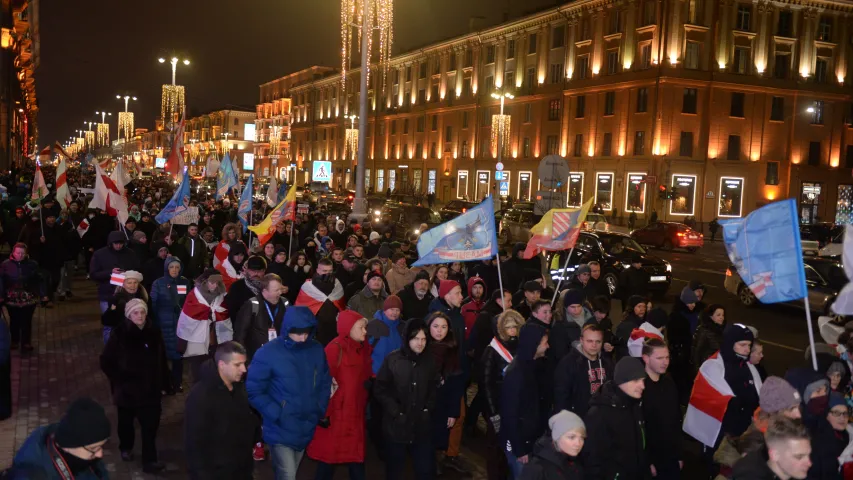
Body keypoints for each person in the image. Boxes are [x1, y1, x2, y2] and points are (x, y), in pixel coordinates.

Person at [246, 306, 332, 480]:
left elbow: (324, 380)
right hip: (280, 427)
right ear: (287, 330)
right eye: (297, 333)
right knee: (288, 474)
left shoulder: (316, 350)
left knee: (291, 471)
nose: (302, 338)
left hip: (306, 424)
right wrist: (276, 413)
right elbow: (254, 390)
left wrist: (319, 407)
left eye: (306, 332)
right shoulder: (268, 353)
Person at [100, 299, 169, 473]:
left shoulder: (154, 332)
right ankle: (126, 447)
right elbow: (106, 361)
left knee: (150, 426)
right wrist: (120, 379)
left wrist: (165, 383)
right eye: (135, 313)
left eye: (142, 312)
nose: (139, 316)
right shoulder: (120, 333)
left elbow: (161, 359)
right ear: (129, 315)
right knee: (126, 423)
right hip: (128, 391)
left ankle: (150, 460)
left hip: (150, 389)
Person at [306, 310, 377, 480]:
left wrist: (371, 382)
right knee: (329, 460)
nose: (365, 332)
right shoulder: (334, 348)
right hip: (337, 416)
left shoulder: (363, 347)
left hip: (355, 413)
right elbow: (322, 384)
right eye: (361, 328)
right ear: (348, 328)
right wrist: (325, 413)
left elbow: (366, 373)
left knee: (356, 458)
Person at [373, 318, 438, 480]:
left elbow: (434, 388)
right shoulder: (393, 360)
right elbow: (380, 389)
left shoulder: (430, 361)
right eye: (416, 338)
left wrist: (427, 409)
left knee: (424, 470)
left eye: (423, 339)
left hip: (421, 426)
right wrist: (396, 412)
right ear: (407, 338)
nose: (420, 343)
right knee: (395, 470)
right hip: (396, 426)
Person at [184, 341, 259, 480]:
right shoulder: (200, 396)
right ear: (222, 365)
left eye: (244, 363)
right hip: (216, 473)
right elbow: (195, 443)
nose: (244, 369)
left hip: (241, 470)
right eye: (237, 365)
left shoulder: (239, 388)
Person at [9, 397, 111, 479]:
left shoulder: (83, 455)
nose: (100, 454)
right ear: (68, 446)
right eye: (94, 449)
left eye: (101, 446)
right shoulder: (31, 475)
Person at [584, 356, 648, 480]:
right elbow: (592, 460)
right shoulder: (598, 414)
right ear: (621, 381)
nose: (642, 386)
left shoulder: (634, 405)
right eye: (636, 380)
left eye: (643, 380)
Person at [502, 320, 550, 478]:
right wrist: (519, 449)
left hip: (532, 440)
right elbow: (510, 414)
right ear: (534, 344)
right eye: (544, 342)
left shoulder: (535, 365)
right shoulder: (516, 373)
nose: (547, 346)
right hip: (521, 445)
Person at [480, 308, 523, 480]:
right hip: (498, 408)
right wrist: (493, 414)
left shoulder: (520, 347)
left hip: (517, 408)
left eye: (515, 326)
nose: (512, 330)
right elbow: (486, 385)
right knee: (496, 449)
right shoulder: (491, 352)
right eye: (508, 327)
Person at [176, 268, 233, 384]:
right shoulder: (194, 295)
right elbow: (187, 318)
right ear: (204, 282)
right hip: (196, 339)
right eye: (212, 282)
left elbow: (224, 315)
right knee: (198, 369)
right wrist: (208, 312)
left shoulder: (221, 296)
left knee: (214, 368)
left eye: (217, 283)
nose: (214, 286)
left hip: (214, 338)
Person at [641, 338, 683, 480]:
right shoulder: (639, 387)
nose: (665, 362)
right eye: (659, 358)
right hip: (651, 460)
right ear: (645, 358)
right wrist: (647, 461)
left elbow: (676, 420)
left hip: (671, 457)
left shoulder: (669, 383)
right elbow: (638, 430)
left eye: (667, 357)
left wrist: (679, 454)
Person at [150, 256, 192, 393]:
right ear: (167, 268)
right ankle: (164, 384)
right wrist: (156, 322)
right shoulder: (158, 283)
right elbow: (153, 304)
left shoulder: (184, 282)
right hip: (164, 324)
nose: (174, 270)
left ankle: (177, 382)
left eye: (177, 267)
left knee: (177, 356)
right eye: (171, 267)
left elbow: (188, 301)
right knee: (162, 356)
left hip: (180, 325)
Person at [554, 323, 612, 418]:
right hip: (578, 419)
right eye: (589, 341)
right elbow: (561, 396)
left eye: (598, 342)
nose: (594, 345)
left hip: (603, 418)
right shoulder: (568, 363)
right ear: (581, 340)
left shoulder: (608, 363)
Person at [731, 417, 812, 480]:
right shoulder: (750, 474)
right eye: (799, 457)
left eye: (808, 455)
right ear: (775, 455)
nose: (809, 463)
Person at [0, 243, 46, 352]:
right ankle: (15, 340)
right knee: (14, 319)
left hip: (28, 296)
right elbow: (1, 281)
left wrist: (43, 294)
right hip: (12, 296)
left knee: (26, 320)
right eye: (18, 253)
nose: (20, 255)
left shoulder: (32, 264)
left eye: (22, 253)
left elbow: (40, 279)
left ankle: (26, 342)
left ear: (26, 253)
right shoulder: (5, 264)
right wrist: (1, 295)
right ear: (13, 252)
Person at [234, 273, 288, 364]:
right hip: (257, 358)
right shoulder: (252, 305)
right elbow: (240, 335)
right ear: (264, 290)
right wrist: (245, 362)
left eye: (280, 289)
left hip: (280, 356)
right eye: (276, 290)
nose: (280, 292)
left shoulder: (285, 303)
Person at [518, 410, 586, 480]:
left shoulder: (576, 465)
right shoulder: (536, 469)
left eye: (582, 437)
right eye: (571, 437)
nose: (578, 443)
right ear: (556, 437)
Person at [295, 258, 345, 346]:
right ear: (318, 270)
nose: (328, 274)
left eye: (330, 271)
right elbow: (300, 311)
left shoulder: (337, 285)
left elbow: (341, 307)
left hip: (333, 330)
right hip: (314, 331)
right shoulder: (307, 287)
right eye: (324, 271)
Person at [89, 230, 141, 313]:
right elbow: (93, 274)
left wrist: (127, 273)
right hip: (107, 293)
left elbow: (137, 269)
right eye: (116, 244)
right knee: (109, 321)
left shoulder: (130, 253)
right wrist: (110, 273)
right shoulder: (99, 254)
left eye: (121, 243)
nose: (118, 246)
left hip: (127, 294)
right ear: (110, 243)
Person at [101, 270, 148, 344]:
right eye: (129, 283)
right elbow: (107, 321)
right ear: (123, 285)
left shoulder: (144, 297)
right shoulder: (117, 299)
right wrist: (112, 310)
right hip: (122, 337)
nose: (133, 285)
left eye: (135, 282)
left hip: (140, 335)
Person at [225, 255, 268, 328]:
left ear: (264, 271)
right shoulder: (236, 287)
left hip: (264, 330)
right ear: (247, 270)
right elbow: (232, 312)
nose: (256, 274)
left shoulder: (268, 287)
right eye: (253, 271)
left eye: (259, 271)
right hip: (243, 330)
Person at [693, 304, 727, 368]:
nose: (721, 317)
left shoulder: (721, 329)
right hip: (707, 366)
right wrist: (698, 369)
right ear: (710, 316)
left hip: (718, 365)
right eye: (718, 315)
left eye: (723, 315)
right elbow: (697, 351)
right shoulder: (704, 331)